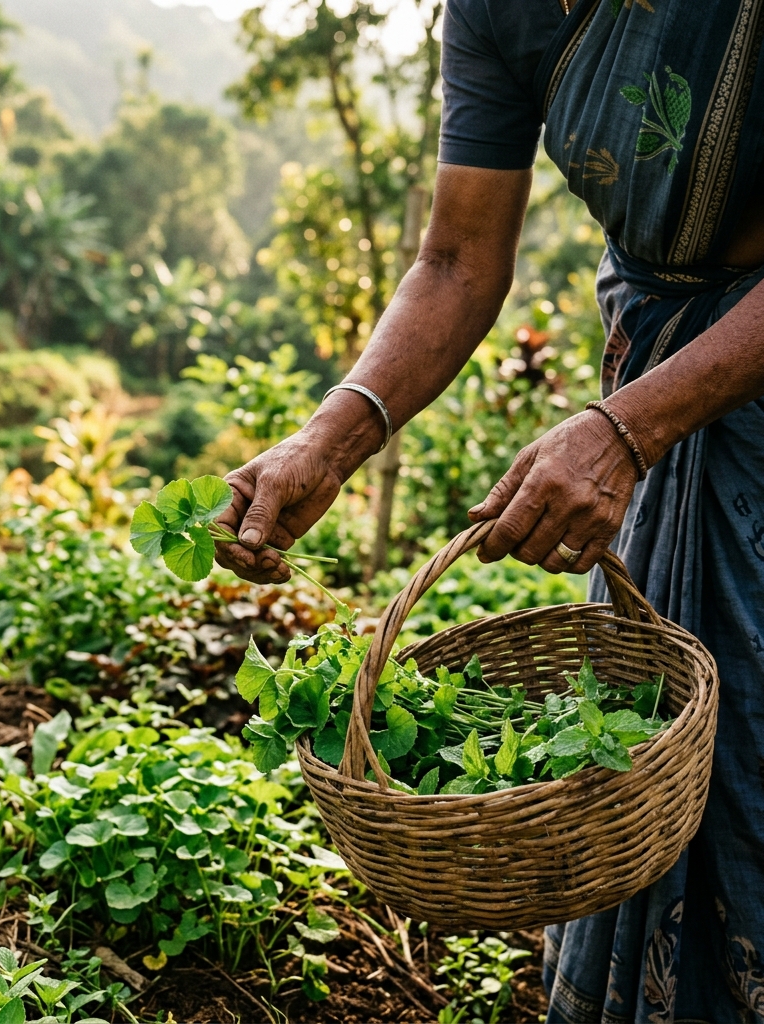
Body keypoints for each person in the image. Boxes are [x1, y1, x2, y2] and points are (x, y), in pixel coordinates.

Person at [214, 0, 764, 1021]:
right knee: (660, 754)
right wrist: (324, 442)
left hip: (705, 392)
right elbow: (458, 258)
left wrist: (627, 429)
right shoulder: (491, 15)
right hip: (662, 371)